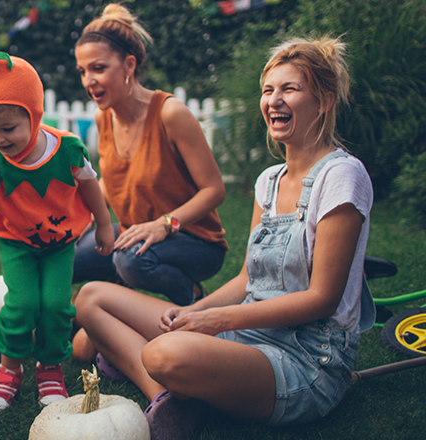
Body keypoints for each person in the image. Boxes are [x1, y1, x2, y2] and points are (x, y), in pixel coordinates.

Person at [74, 36, 374, 440]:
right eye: (268, 90)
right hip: (246, 336)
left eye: (290, 89)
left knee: (161, 352)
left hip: (306, 357)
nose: (274, 100)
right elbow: (249, 278)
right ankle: (167, 397)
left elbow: (322, 298)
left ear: (324, 100)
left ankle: (174, 380)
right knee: (92, 298)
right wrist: (191, 314)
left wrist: (215, 320)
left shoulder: (342, 176)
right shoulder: (269, 181)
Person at [0, 52, 114, 412]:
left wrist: (104, 224)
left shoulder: (67, 150)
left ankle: (50, 368)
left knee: (57, 305)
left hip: (61, 244)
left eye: (8, 128)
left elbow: (91, 186)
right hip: (16, 245)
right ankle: (10, 367)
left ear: (34, 115)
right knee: (24, 302)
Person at [72, 3, 228, 307]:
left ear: (129, 65)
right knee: (62, 256)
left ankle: (195, 301)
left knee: (129, 260)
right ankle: (112, 298)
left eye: (98, 68)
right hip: (134, 232)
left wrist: (164, 224)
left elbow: (215, 190)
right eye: (82, 71)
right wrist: (87, 215)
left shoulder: (170, 113)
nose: (88, 81)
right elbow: (113, 180)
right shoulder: (103, 118)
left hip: (194, 239)